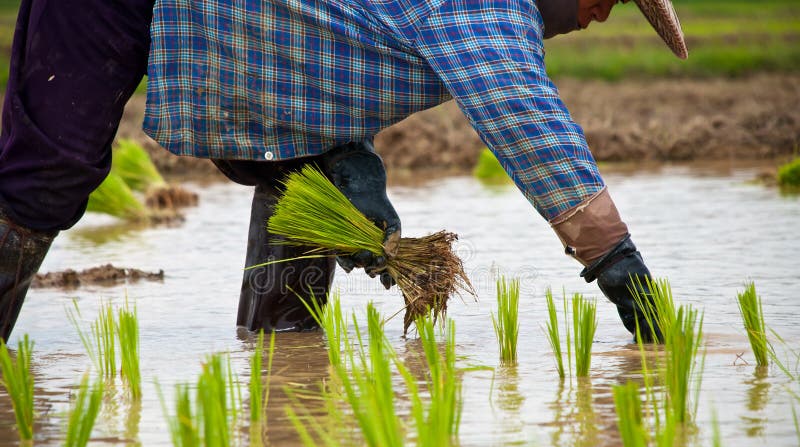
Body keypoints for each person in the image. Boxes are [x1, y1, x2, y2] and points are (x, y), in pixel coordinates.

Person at [0, 0, 686, 342]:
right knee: (44, 180)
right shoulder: (487, 10)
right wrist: (629, 283)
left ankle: (276, 360)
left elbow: (321, 67)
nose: (601, 12)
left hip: (235, 31)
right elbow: (536, 136)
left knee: (306, 178)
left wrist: (361, 201)